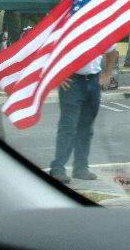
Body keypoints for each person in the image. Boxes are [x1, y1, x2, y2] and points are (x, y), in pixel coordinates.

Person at [49, 44, 118, 183]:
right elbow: (53, 49)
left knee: (86, 128)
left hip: (93, 80)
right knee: (68, 127)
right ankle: (58, 169)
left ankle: (81, 168)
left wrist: (107, 74)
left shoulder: (100, 28)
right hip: (72, 81)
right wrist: (58, 74)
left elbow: (112, 51)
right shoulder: (70, 26)